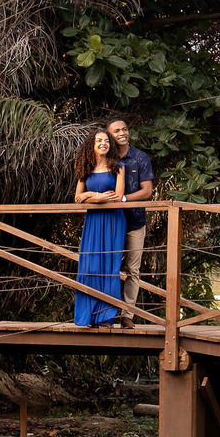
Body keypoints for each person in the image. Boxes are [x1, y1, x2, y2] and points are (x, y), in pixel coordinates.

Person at [72, 129, 126, 327]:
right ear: (92, 145)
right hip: (93, 220)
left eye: (106, 141)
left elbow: (117, 197)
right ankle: (87, 316)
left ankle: (105, 317)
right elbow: (78, 198)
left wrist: (89, 196)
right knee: (90, 265)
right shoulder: (85, 167)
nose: (103, 143)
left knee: (109, 267)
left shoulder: (118, 167)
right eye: (99, 140)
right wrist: (97, 196)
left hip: (113, 220)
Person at [107, 118, 155, 329]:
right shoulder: (104, 156)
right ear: (110, 135)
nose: (122, 133)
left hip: (135, 221)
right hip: (109, 222)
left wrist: (124, 199)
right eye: (116, 130)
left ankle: (128, 314)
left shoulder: (140, 157)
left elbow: (147, 191)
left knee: (132, 270)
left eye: (124, 129)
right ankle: (105, 313)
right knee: (108, 267)